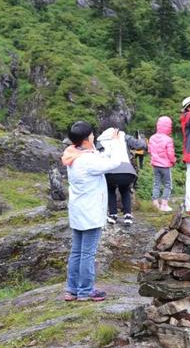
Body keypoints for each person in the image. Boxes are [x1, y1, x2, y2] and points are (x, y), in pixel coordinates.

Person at [61, 120, 120, 302]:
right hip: (91, 212)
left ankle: (71, 290)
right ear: (86, 140)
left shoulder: (73, 154)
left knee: (77, 251)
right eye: (92, 135)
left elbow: (98, 157)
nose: (94, 137)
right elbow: (114, 163)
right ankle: (85, 290)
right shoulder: (87, 160)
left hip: (78, 211)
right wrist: (116, 142)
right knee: (87, 253)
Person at [96, 126, 147, 226]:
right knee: (125, 190)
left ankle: (113, 215)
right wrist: (142, 140)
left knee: (110, 190)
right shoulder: (124, 136)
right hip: (128, 172)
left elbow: (99, 155)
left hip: (111, 171)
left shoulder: (100, 139)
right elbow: (139, 145)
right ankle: (128, 215)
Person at [148, 116, 176, 212]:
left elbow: (150, 151)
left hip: (155, 165)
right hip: (165, 166)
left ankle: (155, 204)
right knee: (168, 184)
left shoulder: (152, 138)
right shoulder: (168, 139)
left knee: (156, 184)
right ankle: (164, 204)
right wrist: (173, 161)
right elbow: (170, 154)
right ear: (168, 126)